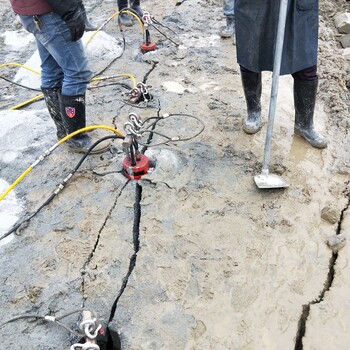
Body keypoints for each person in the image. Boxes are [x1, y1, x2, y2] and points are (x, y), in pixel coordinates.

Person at [8, 0, 109, 154]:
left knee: (52, 70)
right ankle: (76, 138)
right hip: (49, 11)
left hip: (33, 11)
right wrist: (71, 10)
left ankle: (65, 131)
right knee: (77, 73)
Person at [235, 0, 327, 149]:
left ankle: (304, 124)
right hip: (255, 5)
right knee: (250, 54)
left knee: (305, 61)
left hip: (297, 5)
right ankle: (253, 112)